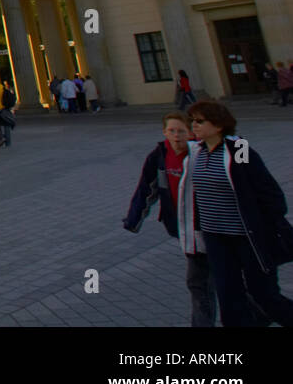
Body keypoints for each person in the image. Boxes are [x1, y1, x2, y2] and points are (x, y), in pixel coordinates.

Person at [178, 100, 293, 327]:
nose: (194, 125)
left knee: (263, 293)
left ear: (219, 125)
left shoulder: (238, 150)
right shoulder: (196, 152)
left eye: (200, 121)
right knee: (228, 294)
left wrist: (267, 224)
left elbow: (266, 190)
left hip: (246, 236)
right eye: (192, 120)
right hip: (215, 237)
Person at [124, 112, 216, 326]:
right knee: (204, 281)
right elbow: (146, 189)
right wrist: (133, 218)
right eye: (171, 131)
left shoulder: (203, 153)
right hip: (185, 228)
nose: (176, 136)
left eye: (181, 131)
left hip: (211, 227)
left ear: (191, 132)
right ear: (164, 132)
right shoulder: (159, 156)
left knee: (200, 282)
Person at [0, 81, 17, 148]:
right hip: (6, 109)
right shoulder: (4, 89)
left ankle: (1, 138)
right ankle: (8, 143)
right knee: (6, 125)